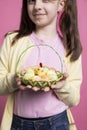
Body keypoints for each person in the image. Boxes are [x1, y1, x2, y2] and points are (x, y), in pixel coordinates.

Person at [0, 0, 82, 130]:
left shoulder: (70, 48)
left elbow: (74, 100)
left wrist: (62, 86)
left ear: (60, 4)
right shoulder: (12, 41)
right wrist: (14, 81)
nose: (37, 6)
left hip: (57, 123)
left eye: (45, 0)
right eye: (32, 1)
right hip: (19, 124)